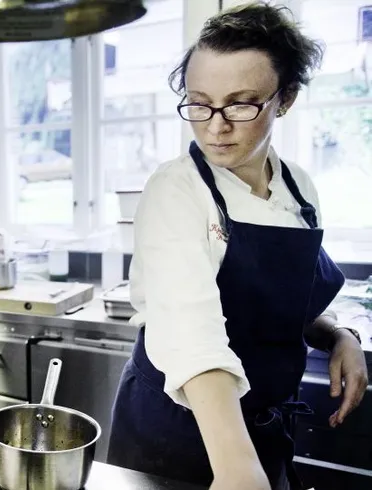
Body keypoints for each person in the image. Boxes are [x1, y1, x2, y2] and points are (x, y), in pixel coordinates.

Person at [107, 3, 369, 490]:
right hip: (176, 429)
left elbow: (282, 302)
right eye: (200, 102)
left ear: (284, 98)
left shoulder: (299, 189)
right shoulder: (175, 189)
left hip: (262, 427)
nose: (215, 125)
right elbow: (191, 330)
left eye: (241, 103)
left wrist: (338, 337)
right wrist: (237, 468)